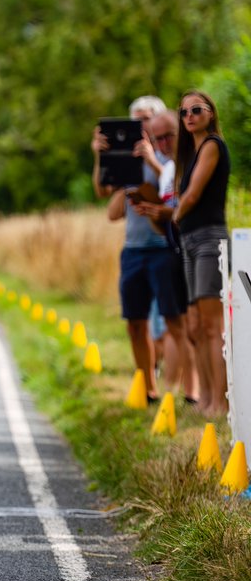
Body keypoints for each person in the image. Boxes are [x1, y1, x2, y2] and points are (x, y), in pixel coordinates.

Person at [90, 96, 184, 403]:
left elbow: (174, 188)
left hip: (163, 246)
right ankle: (148, 387)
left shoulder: (168, 156)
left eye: (147, 118)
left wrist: (150, 159)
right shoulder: (124, 156)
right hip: (133, 248)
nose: (142, 124)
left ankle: (181, 385)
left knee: (172, 319)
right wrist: (100, 157)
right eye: (137, 119)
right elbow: (103, 193)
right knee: (135, 321)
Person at [130, 112, 199, 403]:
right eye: (157, 139)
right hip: (165, 244)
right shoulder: (149, 161)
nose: (163, 142)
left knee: (184, 322)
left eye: (168, 135)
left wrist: (152, 161)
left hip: (186, 248)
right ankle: (160, 387)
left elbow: (182, 195)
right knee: (162, 320)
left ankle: (195, 391)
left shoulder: (187, 157)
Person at [172, 90, 231, 416]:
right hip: (190, 240)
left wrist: (174, 216)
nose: (190, 116)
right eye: (184, 112)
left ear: (211, 113)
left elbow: (192, 195)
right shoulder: (190, 153)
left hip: (208, 239)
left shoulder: (212, 146)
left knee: (212, 326)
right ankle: (206, 397)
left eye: (197, 110)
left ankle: (220, 402)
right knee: (194, 327)